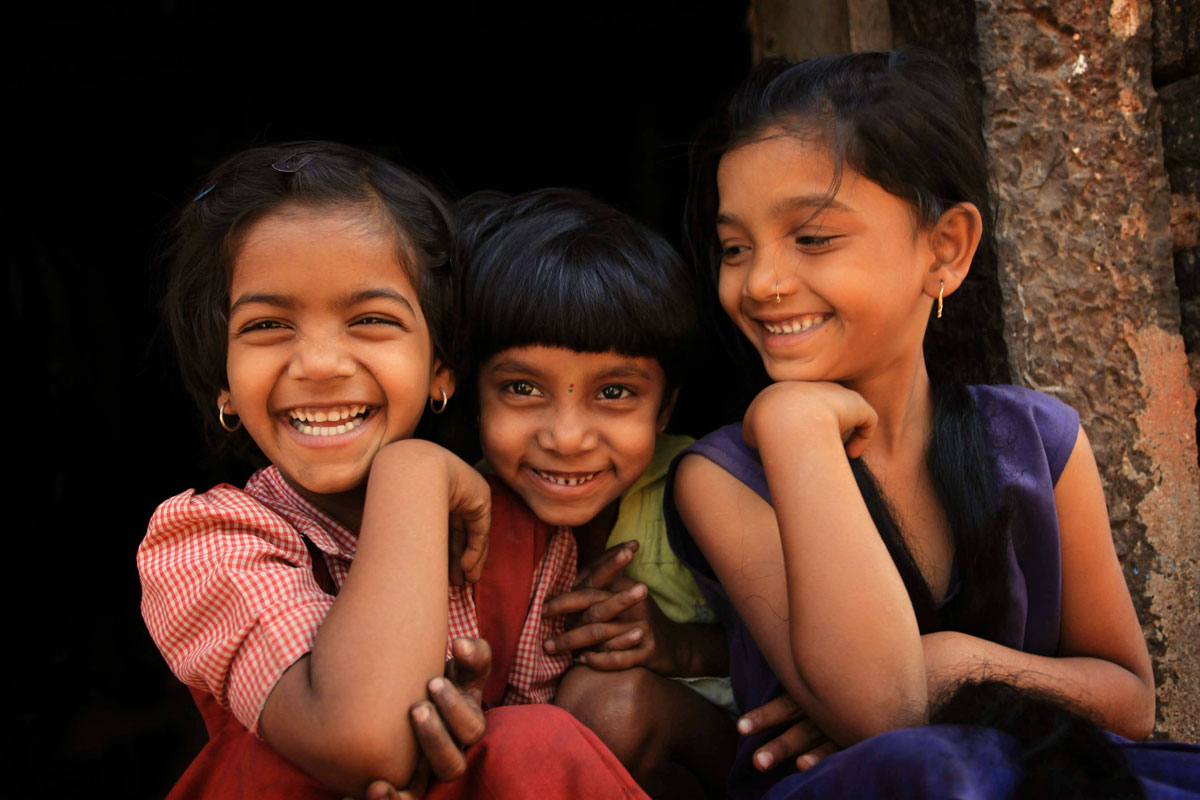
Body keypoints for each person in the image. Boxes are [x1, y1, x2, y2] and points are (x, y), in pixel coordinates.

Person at [667, 49, 1200, 798]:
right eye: (733, 248)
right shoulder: (724, 476)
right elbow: (885, 712)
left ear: (945, 249)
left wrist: (949, 664)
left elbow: (1130, 700)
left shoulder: (1039, 445)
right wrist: (795, 429)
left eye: (813, 238)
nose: (760, 282)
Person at [138, 142, 647, 800]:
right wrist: (413, 471)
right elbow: (361, 741)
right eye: (267, 325)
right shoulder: (204, 543)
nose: (319, 364)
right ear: (224, 386)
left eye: (371, 320)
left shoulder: (525, 540)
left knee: (534, 737)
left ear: (441, 367)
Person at [452, 188, 737, 798]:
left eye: (614, 393)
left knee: (609, 703)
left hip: (719, 760)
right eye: (523, 388)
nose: (568, 438)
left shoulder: (705, 490)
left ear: (666, 409)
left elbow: (804, 659)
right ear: (473, 395)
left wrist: (679, 648)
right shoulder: (460, 510)